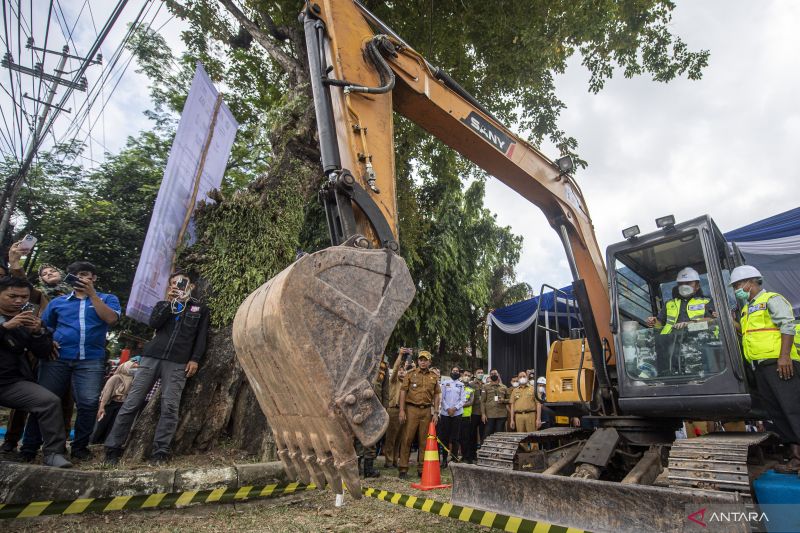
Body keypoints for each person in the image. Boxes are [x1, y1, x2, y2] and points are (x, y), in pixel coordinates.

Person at [105, 272, 209, 465]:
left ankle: (160, 451)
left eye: (182, 283)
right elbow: (154, 323)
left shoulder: (199, 308)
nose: (177, 286)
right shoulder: (163, 305)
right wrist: (172, 304)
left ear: (191, 286)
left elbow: (201, 336)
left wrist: (195, 359)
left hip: (178, 361)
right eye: (173, 284)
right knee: (132, 402)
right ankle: (113, 447)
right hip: (152, 357)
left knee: (170, 406)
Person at [21, 261, 120, 462]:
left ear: (94, 278)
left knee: (89, 403)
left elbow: (111, 319)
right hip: (57, 359)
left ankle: (80, 447)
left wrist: (92, 295)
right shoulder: (58, 303)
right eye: (77, 275)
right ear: (70, 278)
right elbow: (46, 328)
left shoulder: (107, 298)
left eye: (86, 274)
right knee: (44, 402)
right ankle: (29, 448)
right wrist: (48, 342)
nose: (83, 278)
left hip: (91, 359)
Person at [730, 265, 800, 473]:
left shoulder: (771, 299)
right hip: (760, 367)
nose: (736, 290)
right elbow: (748, 332)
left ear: (750, 283)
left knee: (793, 409)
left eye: (737, 285)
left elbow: (787, 325)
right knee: (777, 412)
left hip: (779, 363)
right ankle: (795, 456)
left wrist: (784, 356)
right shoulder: (747, 308)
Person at [0, 276, 71, 467]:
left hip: (10, 383)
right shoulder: (10, 322)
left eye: (24, 297)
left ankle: (53, 453)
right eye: (12, 296)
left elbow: (44, 352)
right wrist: (4, 328)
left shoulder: (27, 318)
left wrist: (39, 332)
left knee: (49, 401)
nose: (19, 301)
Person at [646, 267, 717, 376]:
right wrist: (654, 322)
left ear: (697, 286)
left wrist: (690, 323)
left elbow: (712, 320)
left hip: (697, 347)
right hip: (670, 349)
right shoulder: (669, 304)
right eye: (681, 283)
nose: (684, 286)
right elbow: (660, 323)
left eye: (688, 283)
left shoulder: (706, 302)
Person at [398, 350, 441, 479]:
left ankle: (422, 468)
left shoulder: (434, 376)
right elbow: (403, 392)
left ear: (429, 362)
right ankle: (403, 469)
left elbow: (437, 394)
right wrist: (401, 410)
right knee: (407, 439)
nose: (423, 362)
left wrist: (436, 412)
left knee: (424, 441)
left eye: (425, 360)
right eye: (421, 360)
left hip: (427, 410)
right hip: (411, 409)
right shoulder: (410, 374)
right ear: (418, 361)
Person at [91, 359, 139, 444]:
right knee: (102, 424)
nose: (135, 370)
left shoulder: (132, 380)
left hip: (122, 405)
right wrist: (102, 407)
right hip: (110, 404)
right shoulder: (116, 377)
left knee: (113, 425)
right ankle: (94, 442)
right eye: (133, 367)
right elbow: (106, 393)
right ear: (126, 367)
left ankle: (105, 443)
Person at [383, 349, 408, 468]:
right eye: (400, 371)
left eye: (404, 371)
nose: (402, 373)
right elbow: (396, 368)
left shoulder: (407, 383)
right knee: (391, 437)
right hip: (393, 410)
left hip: (404, 411)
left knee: (399, 437)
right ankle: (388, 461)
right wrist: (400, 355)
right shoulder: (393, 381)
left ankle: (394, 460)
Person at [437, 366, 465, 468]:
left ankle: (454, 459)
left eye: (457, 371)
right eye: (454, 371)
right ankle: (444, 459)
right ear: (451, 372)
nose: (455, 372)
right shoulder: (444, 383)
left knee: (455, 438)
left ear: (459, 373)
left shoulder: (461, 385)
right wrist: (448, 408)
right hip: (445, 413)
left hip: (457, 414)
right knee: (444, 437)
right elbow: (442, 398)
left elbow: (463, 400)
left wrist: (455, 408)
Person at [481, 369, 509, 437]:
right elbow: (482, 401)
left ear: (498, 375)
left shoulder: (504, 387)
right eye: (492, 374)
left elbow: (510, 400)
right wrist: (483, 414)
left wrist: (503, 400)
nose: (494, 375)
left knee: (499, 435)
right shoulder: (485, 387)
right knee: (487, 435)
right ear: (490, 376)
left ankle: (499, 448)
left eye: (495, 373)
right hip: (490, 415)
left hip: (501, 415)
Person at [459, 375, 477, 463]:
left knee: (466, 437)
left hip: (466, 416)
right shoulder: (457, 387)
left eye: (468, 376)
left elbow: (471, 402)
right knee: (458, 438)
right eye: (464, 375)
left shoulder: (471, 390)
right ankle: (461, 456)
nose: (466, 377)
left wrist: (458, 405)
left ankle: (468, 457)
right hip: (456, 415)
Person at [470, 369, 485, 443]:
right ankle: (473, 452)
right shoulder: (471, 384)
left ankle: (483, 450)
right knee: (472, 433)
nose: (481, 374)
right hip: (474, 412)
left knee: (483, 433)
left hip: (483, 413)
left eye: (482, 373)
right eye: (479, 373)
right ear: (475, 374)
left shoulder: (485, 385)